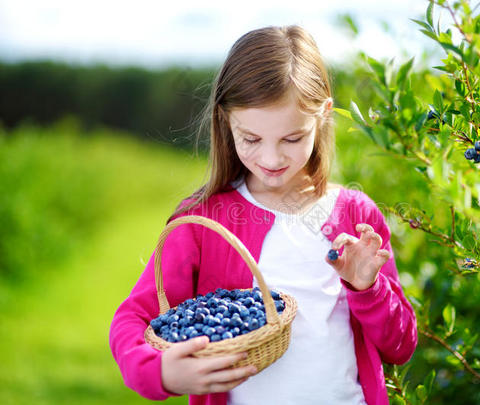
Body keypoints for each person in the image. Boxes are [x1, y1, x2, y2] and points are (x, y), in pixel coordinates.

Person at [109, 25, 417, 405]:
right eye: (251, 139)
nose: (271, 159)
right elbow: (131, 320)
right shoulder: (204, 223)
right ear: (225, 120)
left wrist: (367, 290)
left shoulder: (355, 215)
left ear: (322, 115)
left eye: (292, 139)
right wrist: (158, 372)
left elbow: (400, 346)